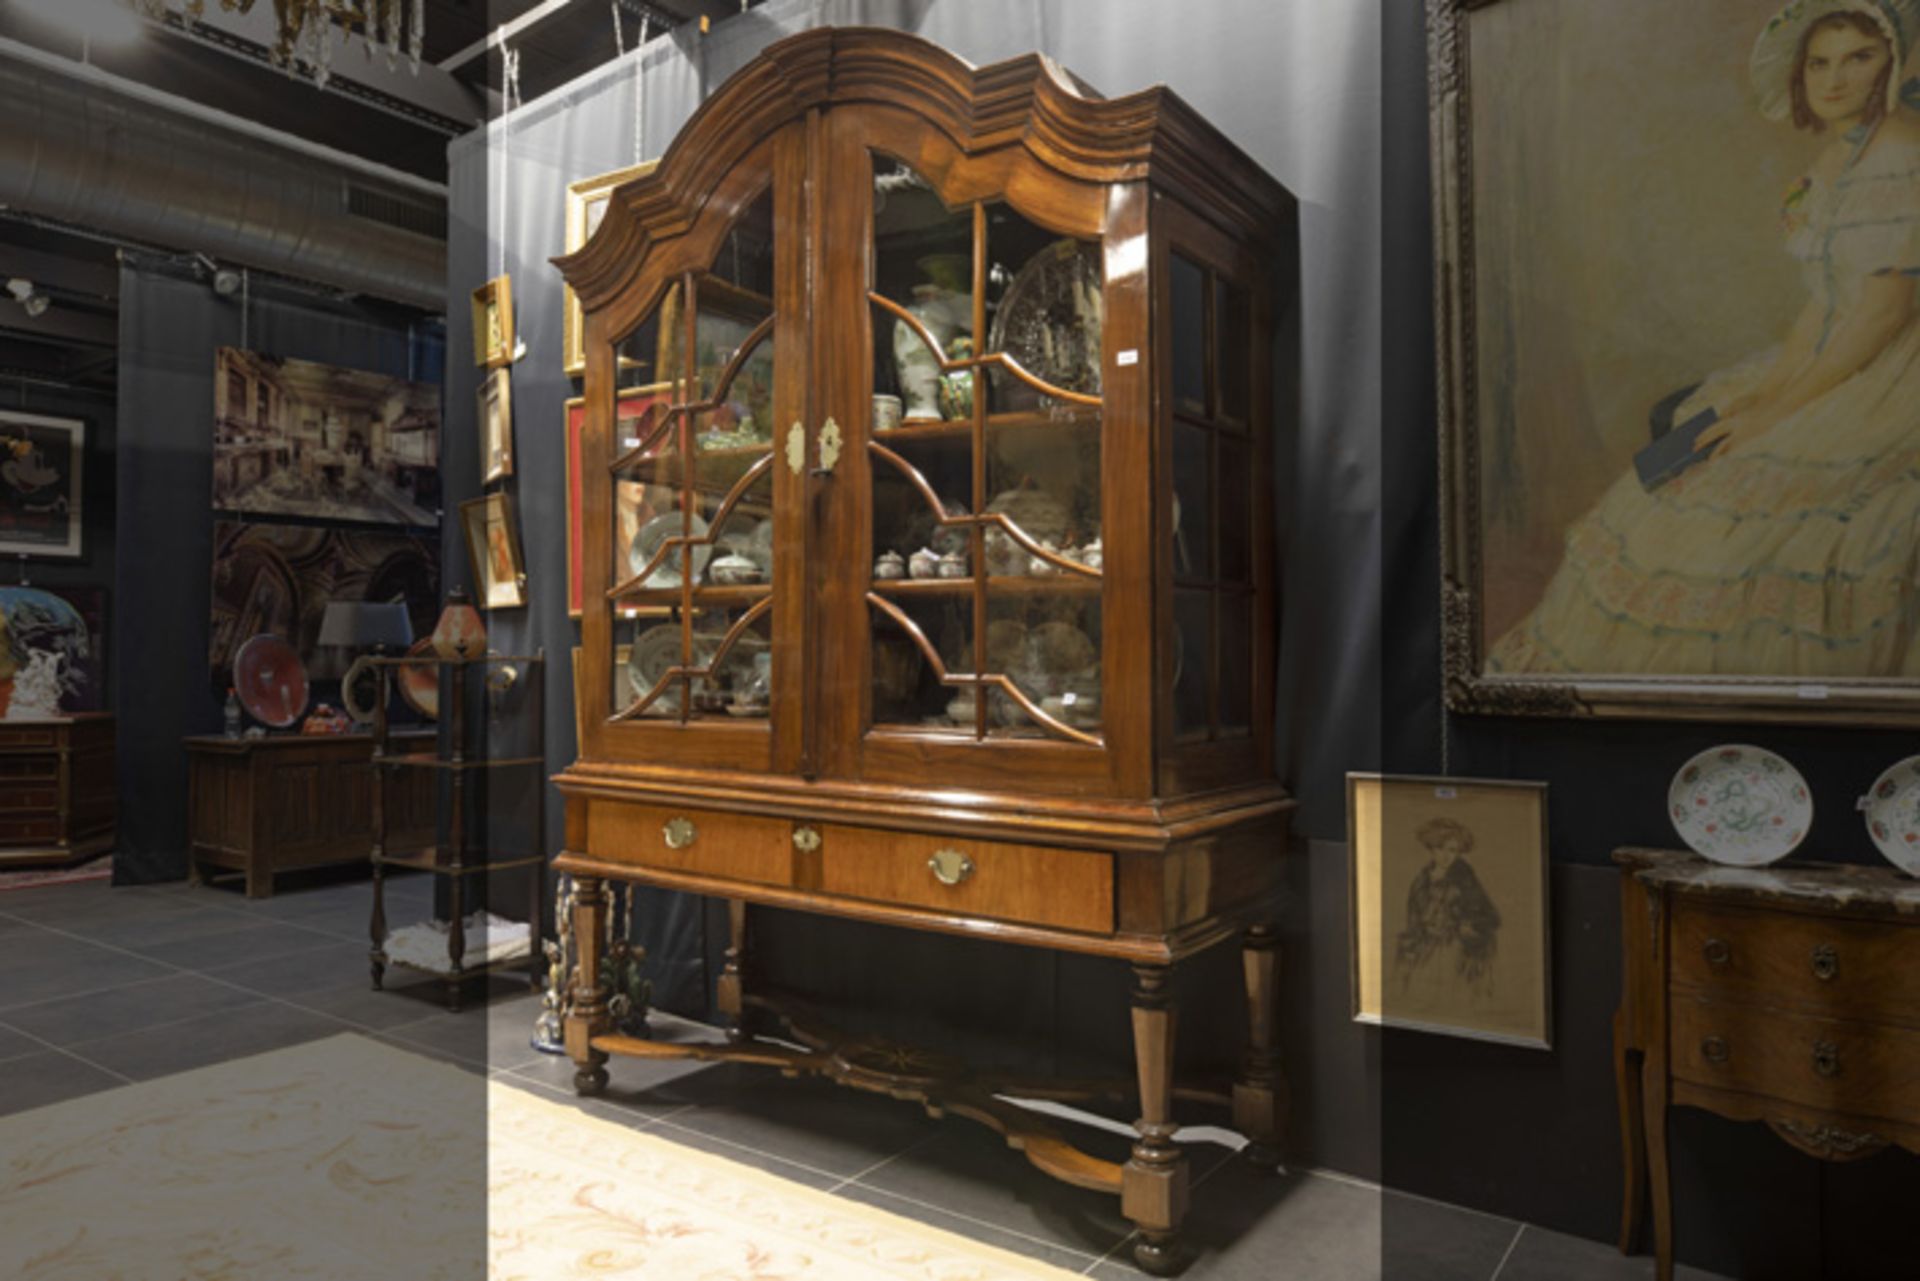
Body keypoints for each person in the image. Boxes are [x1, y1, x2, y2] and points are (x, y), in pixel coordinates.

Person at [1490, 0, 1920, 678]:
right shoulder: (1834, 160)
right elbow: (1825, 306)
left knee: (1749, 503)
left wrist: (1782, 412)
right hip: (1834, 356)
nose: (1834, 79)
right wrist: (1771, 390)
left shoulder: (1901, 151)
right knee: (1704, 439)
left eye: (1858, 58)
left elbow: (1881, 315)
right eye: (1820, 62)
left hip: (1894, 372)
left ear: (1890, 65)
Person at [1394, 816, 1502, 1002]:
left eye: (1452, 850)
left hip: (1457, 948)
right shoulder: (1420, 882)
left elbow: (1492, 918)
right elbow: (1413, 920)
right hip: (1426, 946)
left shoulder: (1466, 881)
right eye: (1439, 848)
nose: (1445, 855)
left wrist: (1469, 927)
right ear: (1431, 849)